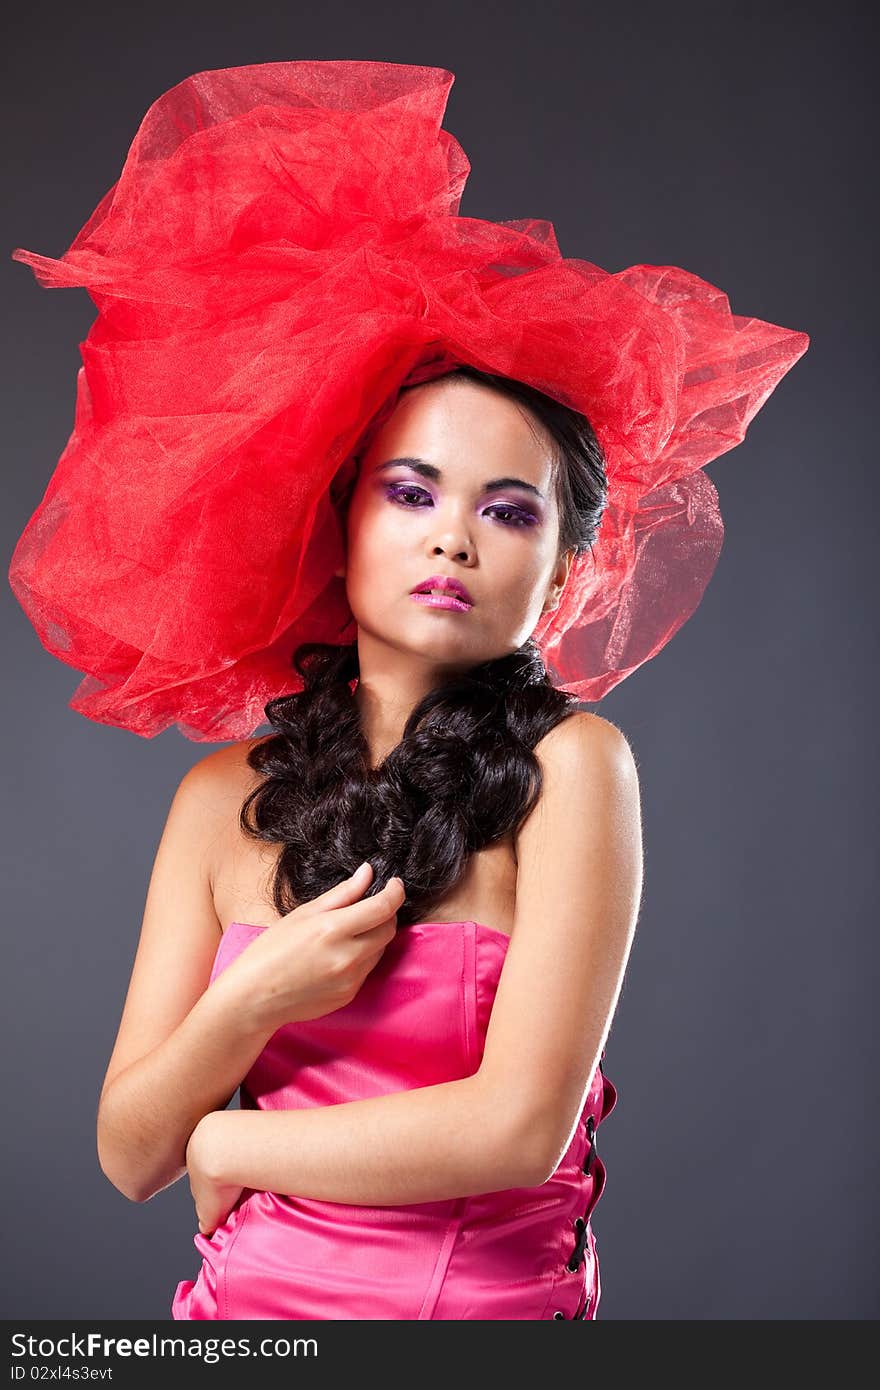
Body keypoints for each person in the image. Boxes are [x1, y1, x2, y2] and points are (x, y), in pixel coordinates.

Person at [8, 59, 809, 1321]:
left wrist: (230, 1145)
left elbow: (515, 1130)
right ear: (336, 521)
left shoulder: (573, 770)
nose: (452, 540)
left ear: (560, 571)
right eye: (411, 491)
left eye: (506, 511)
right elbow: (126, 1151)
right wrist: (261, 995)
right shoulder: (218, 800)